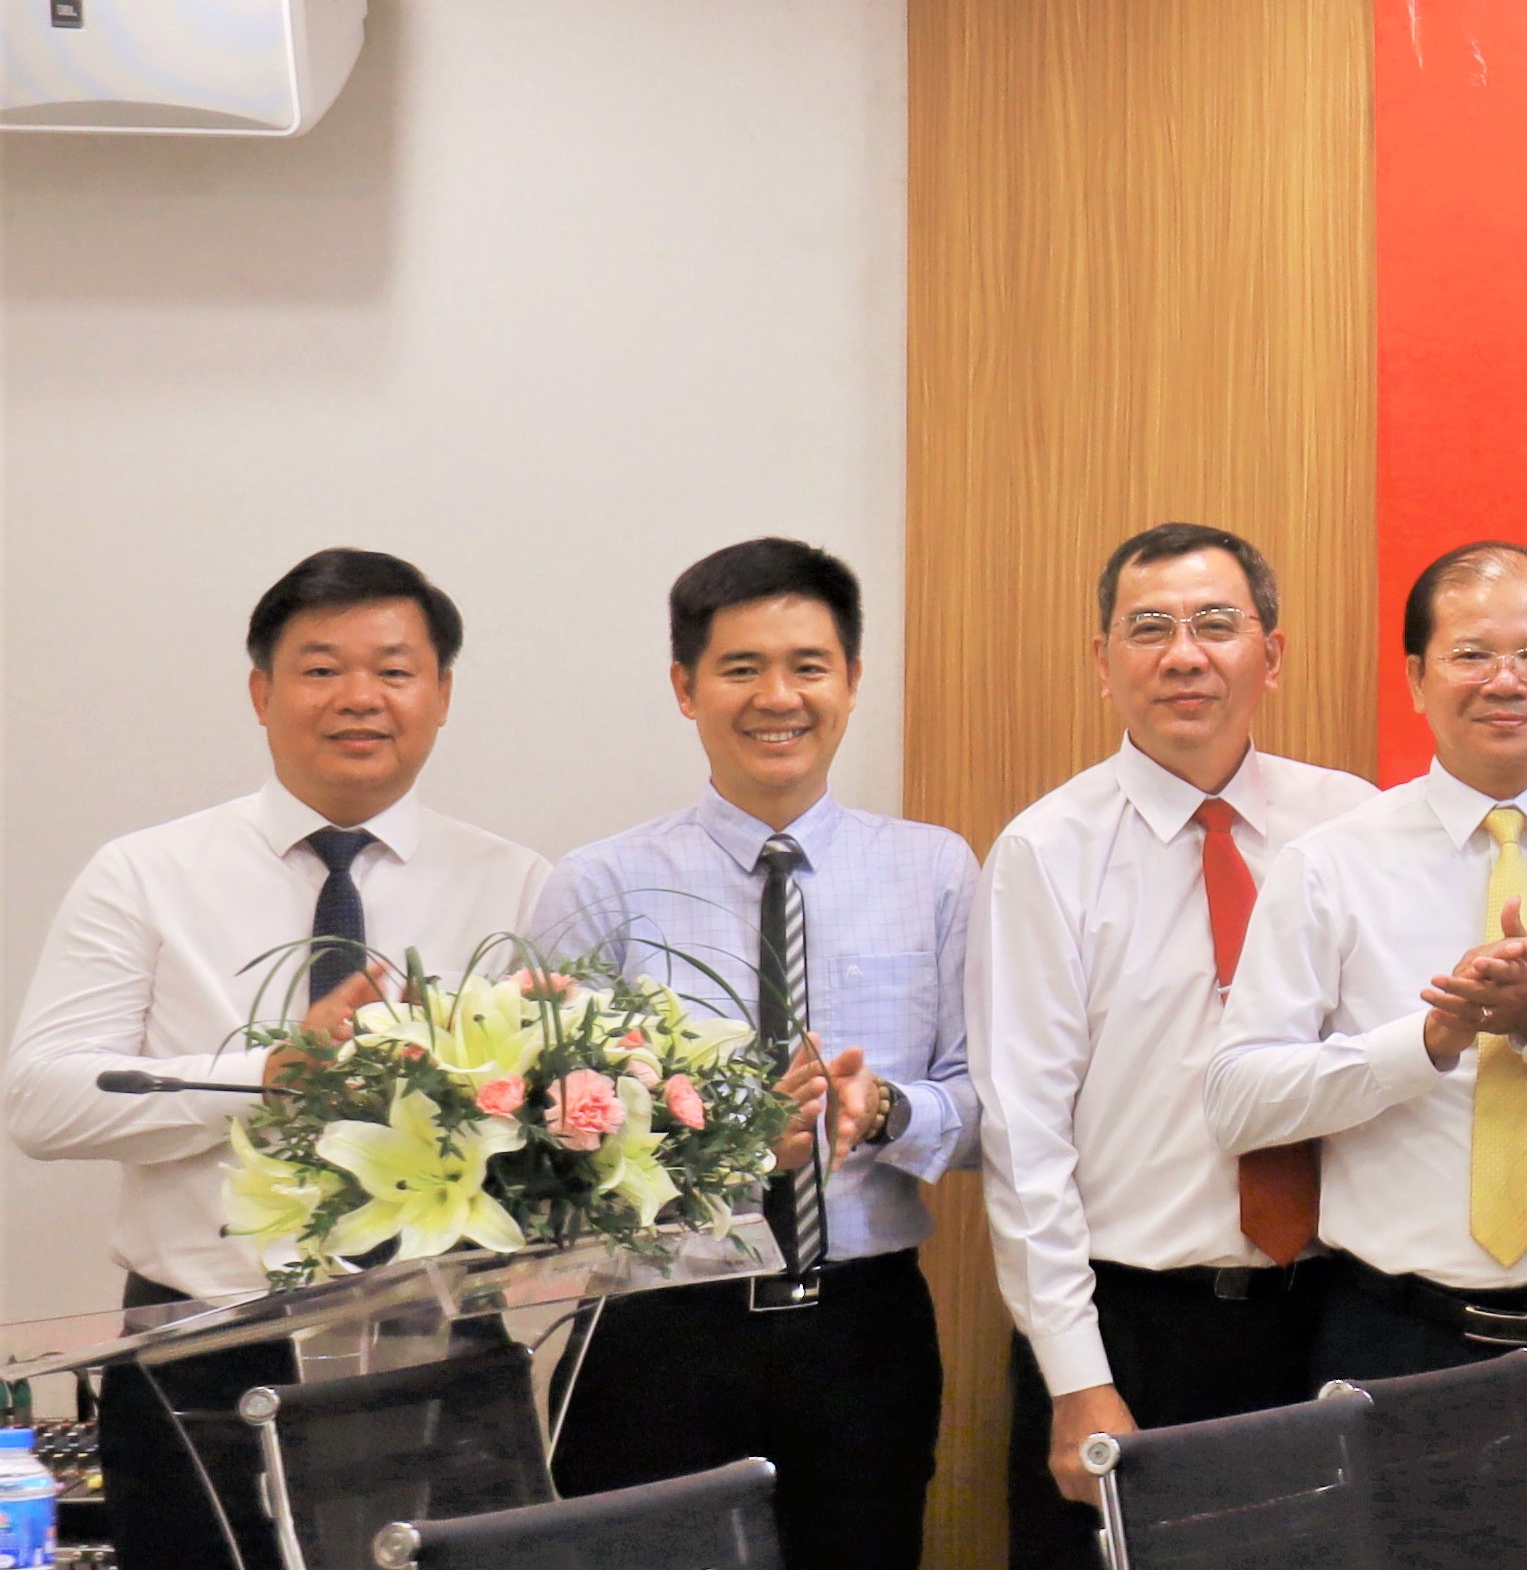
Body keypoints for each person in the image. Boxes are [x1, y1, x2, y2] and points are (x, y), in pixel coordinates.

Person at [7, 550, 555, 1570]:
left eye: (394, 670)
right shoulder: (146, 874)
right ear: (262, 692)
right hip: (199, 1354)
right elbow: (41, 1102)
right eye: (321, 668)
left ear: (441, 695)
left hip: (437, 1351)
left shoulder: (516, 883)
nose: (360, 696)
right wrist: (267, 1077)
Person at [1203, 543, 1527, 1570]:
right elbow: (1238, 1097)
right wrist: (1422, 1042)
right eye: (1471, 653)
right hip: (1400, 1340)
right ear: (1416, 676)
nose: (1506, 679)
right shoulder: (1333, 862)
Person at [535, 538, 982, 1570]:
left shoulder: (934, 870)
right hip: (658, 1326)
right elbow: (545, 1147)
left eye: (808, 666)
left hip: (863, 1326)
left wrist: (888, 1111)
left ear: (853, 680)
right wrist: (724, 1150)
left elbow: (987, 1109)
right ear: (685, 687)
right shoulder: (601, 883)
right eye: (741, 667)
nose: (778, 696)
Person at [977, 521, 1381, 1567]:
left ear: (1271, 654)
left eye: (1215, 624)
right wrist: (1077, 1375)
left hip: (1329, 1317)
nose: (1183, 655)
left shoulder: (1352, 824)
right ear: (1103, 659)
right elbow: (1024, 1136)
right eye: (1149, 628)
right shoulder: (1046, 851)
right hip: (1132, 1332)